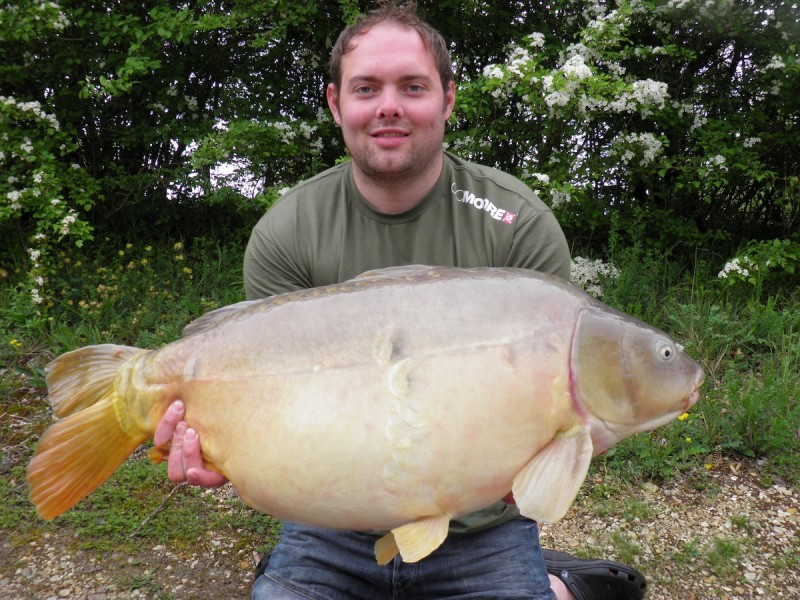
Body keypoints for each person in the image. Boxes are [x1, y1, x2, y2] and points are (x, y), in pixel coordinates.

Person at [154, 3, 647, 599]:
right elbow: (271, 406)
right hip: (331, 527)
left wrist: (542, 463)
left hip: (483, 528)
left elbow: (547, 451)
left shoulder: (516, 222)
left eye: (413, 87)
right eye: (367, 88)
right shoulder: (287, 232)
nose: (389, 106)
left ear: (447, 99)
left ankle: (557, 585)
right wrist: (221, 448)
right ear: (338, 104)